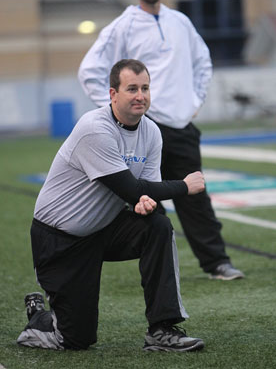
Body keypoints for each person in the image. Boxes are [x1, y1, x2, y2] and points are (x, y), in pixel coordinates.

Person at [17, 59, 206, 352]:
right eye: (132, 88)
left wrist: (146, 205)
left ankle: (162, 329)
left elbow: (145, 194)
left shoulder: (152, 133)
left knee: (157, 226)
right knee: (75, 339)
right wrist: (184, 186)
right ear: (112, 94)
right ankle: (39, 318)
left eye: (145, 88)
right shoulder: (95, 129)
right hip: (60, 239)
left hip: (105, 229)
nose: (140, 95)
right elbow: (131, 187)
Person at [78, 0, 244, 281]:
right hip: (143, 128)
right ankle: (159, 267)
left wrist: (195, 101)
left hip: (181, 127)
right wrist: (116, 109)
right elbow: (90, 69)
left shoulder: (180, 22)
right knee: (144, 198)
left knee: (194, 196)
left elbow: (203, 61)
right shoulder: (124, 25)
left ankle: (217, 263)